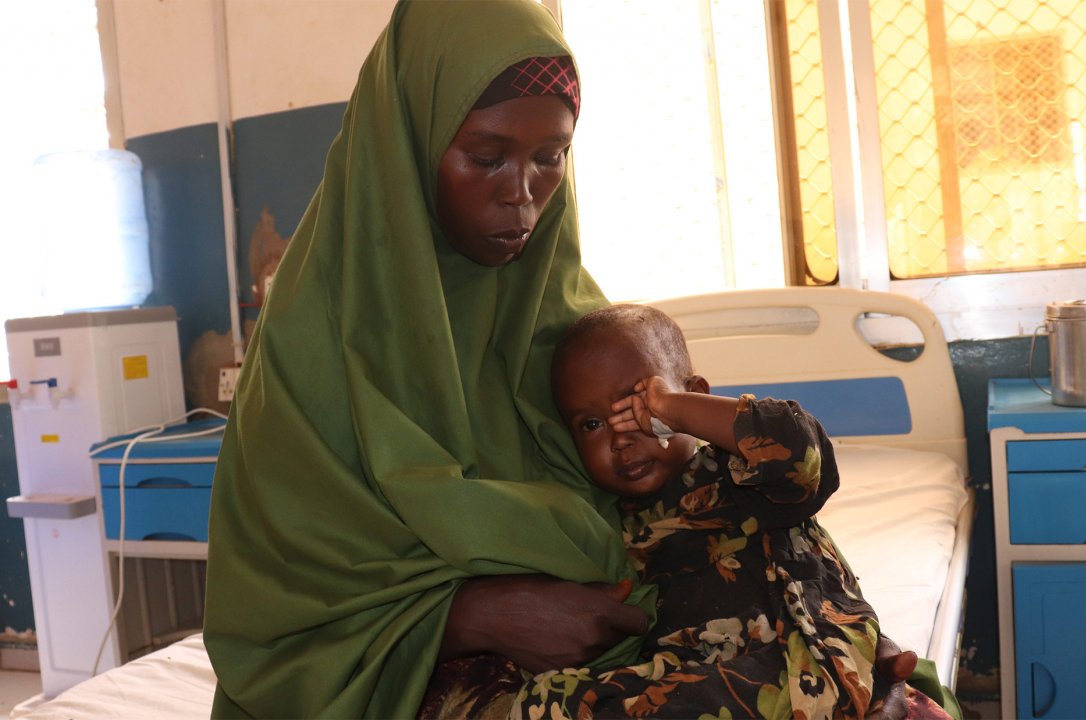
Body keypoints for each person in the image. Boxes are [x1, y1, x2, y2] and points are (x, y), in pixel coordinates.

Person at [203, 2, 655, 718]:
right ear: (409, 146)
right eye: (485, 156)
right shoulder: (310, 340)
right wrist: (468, 615)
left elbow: (694, 482)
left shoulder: (573, 324)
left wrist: (824, 608)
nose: (522, 193)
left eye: (551, 157)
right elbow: (271, 614)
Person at [510, 304, 957, 719]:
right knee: (554, 700)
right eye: (592, 425)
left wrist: (671, 409)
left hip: (818, 660)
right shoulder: (606, 525)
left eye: (639, 407)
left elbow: (802, 454)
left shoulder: (742, 472)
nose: (621, 438)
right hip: (708, 685)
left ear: (695, 396)